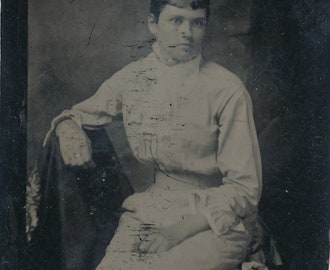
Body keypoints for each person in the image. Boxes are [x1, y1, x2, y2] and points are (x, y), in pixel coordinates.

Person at [44, 0, 266, 269]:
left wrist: (177, 232)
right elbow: (77, 114)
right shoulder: (133, 79)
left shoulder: (227, 89)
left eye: (197, 22)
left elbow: (244, 189)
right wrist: (68, 128)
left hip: (213, 220)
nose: (187, 31)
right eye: (176, 20)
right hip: (150, 210)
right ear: (153, 24)